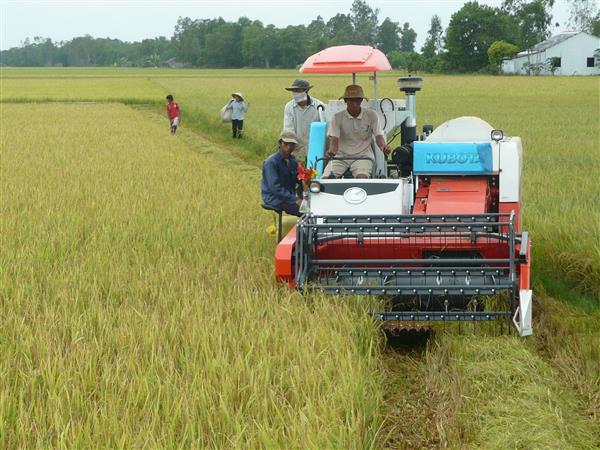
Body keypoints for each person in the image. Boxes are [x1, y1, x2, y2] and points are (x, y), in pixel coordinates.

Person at [324, 84, 390, 179]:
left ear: (361, 100)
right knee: (327, 179)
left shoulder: (372, 115)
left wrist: (384, 147)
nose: (355, 104)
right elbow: (334, 142)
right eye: (351, 100)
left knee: (361, 178)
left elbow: (379, 137)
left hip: (363, 156)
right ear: (345, 101)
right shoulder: (337, 117)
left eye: (357, 100)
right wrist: (331, 151)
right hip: (340, 155)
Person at [261, 130, 302, 216]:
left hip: (287, 197)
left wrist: (306, 180)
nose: (289, 147)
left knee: (311, 206)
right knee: (305, 211)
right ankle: (302, 229)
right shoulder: (271, 162)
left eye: (292, 145)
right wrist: (295, 199)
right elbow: (275, 187)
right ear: (280, 144)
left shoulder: (293, 162)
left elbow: (298, 179)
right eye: (286, 144)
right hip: (275, 198)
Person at [282, 79, 324, 163]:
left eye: (297, 90)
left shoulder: (319, 106)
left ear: (306, 91)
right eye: (293, 91)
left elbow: (323, 128)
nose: (295, 93)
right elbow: (288, 129)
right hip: (296, 149)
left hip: (315, 148)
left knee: (314, 172)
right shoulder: (289, 107)